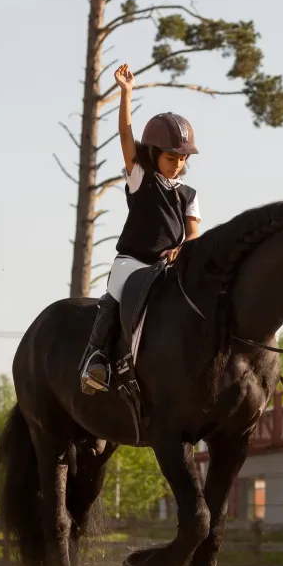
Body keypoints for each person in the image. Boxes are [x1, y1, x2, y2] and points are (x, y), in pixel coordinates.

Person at [79, 62, 203, 395]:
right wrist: (126, 93)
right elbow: (124, 136)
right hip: (133, 262)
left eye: (181, 159)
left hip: (168, 266)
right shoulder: (140, 178)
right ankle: (96, 358)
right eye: (170, 158)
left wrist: (185, 248)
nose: (177, 164)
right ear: (153, 154)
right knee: (114, 297)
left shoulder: (189, 194)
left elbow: (193, 233)